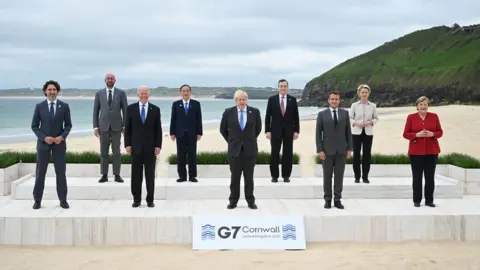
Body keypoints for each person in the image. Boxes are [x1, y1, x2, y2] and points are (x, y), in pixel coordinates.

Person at [31, 80, 72, 209]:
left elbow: (68, 125)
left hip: (59, 145)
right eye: (50, 89)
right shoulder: (39, 107)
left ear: (57, 91)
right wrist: (44, 137)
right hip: (43, 146)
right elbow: (34, 126)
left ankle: (63, 200)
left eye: (54, 89)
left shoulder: (64, 106)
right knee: (40, 173)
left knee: (60, 173)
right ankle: (37, 200)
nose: (52, 92)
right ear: (45, 91)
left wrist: (62, 137)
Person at [220, 90, 262, 210]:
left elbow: (258, 128)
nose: (242, 101)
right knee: (235, 178)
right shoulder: (228, 112)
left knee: (249, 178)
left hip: (250, 150)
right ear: (236, 101)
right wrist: (232, 141)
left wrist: (249, 140)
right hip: (234, 151)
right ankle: (233, 201)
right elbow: (223, 129)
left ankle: (250, 201)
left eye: (244, 99)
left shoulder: (254, 112)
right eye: (240, 99)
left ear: (246, 100)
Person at [124, 85, 162, 208]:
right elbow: (127, 129)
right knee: (136, 175)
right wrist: (127, 144)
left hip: (151, 148)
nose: (143, 95)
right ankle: (136, 199)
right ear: (138, 94)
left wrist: (158, 145)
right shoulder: (130, 108)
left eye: (145, 93)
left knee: (150, 176)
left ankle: (150, 200)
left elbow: (158, 129)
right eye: (141, 93)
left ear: (149, 94)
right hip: (135, 148)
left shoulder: (155, 109)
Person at [402, 96, 443, 208]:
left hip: (432, 151)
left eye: (425, 104)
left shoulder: (434, 116)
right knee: (417, 177)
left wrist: (433, 134)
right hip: (415, 152)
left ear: (428, 106)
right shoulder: (411, 117)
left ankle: (429, 201)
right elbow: (405, 134)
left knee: (430, 177)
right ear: (417, 106)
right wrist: (416, 135)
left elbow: (440, 132)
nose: (423, 106)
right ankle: (417, 200)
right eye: (421, 104)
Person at [315, 90, 353, 209]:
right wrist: (320, 150)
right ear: (328, 100)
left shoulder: (345, 114)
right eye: (332, 99)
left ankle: (337, 200)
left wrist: (349, 149)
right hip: (326, 151)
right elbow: (318, 134)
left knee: (339, 176)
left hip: (341, 150)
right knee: (327, 176)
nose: (334, 101)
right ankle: (327, 200)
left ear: (339, 101)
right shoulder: (322, 114)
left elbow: (348, 133)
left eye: (336, 99)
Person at [93, 73, 128, 183]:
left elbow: (125, 110)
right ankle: (104, 175)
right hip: (103, 127)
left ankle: (117, 175)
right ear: (105, 80)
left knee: (116, 152)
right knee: (103, 152)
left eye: (111, 79)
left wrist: (125, 125)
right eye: (108, 78)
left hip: (117, 127)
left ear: (115, 80)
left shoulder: (121, 93)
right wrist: (95, 126)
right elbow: (95, 111)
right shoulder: (99, 94)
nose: (110, 80)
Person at [265, 79, 300, 183]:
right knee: (274, 153)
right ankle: (274, 176)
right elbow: (268, 117)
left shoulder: (292, 100)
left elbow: (296, 117)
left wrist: (296, 131)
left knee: (288, 154)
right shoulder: (272, 99)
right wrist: (267, 130)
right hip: (275, 131)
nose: (283, 88)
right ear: (278, 87)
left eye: (285, 86)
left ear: (287, 87)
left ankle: (286, 176)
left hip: (289, 131)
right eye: (281, 86)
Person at [169, 84, 203, 182]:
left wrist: (199, 132)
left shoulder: (196, 104)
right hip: (180, 134)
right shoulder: (176, 104)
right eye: (183, 91)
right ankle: (182, 176)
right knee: (181, 156)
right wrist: (172, 133)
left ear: (190, 92)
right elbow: (173, 119)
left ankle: (192, 176)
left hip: (192, 134)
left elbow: (199, 119)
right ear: (181, 92)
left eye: (187, 91)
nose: (185, 93)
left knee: (192, 155)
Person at [349, 84, 379, 183]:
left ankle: (365, 177)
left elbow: (376, 118)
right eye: (362, 92)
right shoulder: (354, 105)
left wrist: (370, 122)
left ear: (368, 94)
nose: (364, 94)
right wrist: (356, 123)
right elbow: (350, 118)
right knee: (356, 154)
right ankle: (357, 177)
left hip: (368, 133)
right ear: (359, 93)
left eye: (366, 92)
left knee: (367, 155)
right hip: (356, 132)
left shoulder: (373, 106)